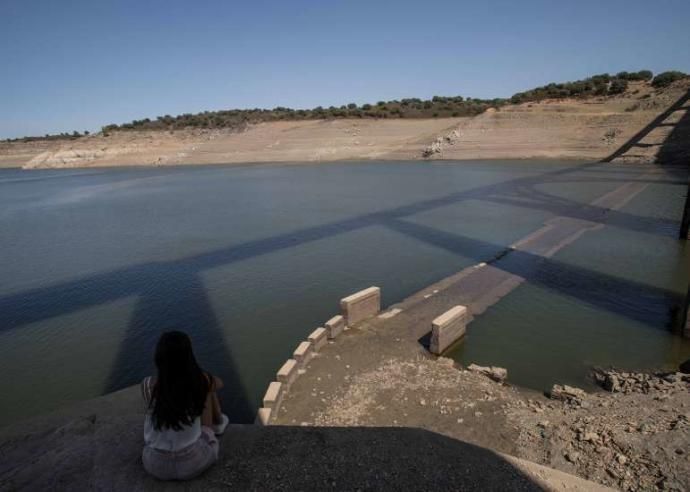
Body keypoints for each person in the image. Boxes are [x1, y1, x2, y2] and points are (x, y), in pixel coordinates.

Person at [140, 331, 229, 480]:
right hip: (194, 462)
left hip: (154, 464)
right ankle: (217, 424)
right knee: (207, 390)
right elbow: (220, 383)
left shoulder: (147, 385)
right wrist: (202, 376)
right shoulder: (199, 380)